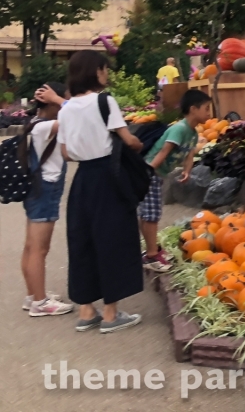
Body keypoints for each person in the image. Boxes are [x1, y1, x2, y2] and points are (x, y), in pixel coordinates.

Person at [59, 50, 145, 334]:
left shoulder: (66, 108)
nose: (106, 74)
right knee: (114, 239)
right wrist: (137, 145)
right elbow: (127, 138)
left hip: (82, 179)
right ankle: (110, 314)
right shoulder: (104, 101)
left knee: (82, 240)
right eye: (105, 69)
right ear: (96, 71)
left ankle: (86, 311)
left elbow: (65, 153)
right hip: (109, 177)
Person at [139, 89, 211, 273]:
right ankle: (152, 255)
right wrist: (147, 171)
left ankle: (151, 250)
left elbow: (189, 154)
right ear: (193, 109)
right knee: (151, 215)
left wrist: (187, 171)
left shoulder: (193, 134)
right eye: (206, 108)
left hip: (157, 174)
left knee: (149, 214)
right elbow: (163, 150)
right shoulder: (179, 129)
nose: (209, 113)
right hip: (151, 172)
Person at [20, 81, 74, 316]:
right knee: (39, 249)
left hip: (37, 187)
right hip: (46, 188)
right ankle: (41, 304)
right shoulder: (47, 126)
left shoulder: (36, 123)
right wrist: (60, 99)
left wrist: (58, 99)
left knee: (32, 246)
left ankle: (34, 296)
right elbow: (79, 116)